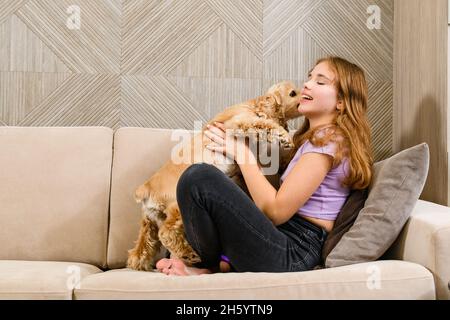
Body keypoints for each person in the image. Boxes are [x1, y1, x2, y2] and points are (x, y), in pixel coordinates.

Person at [156, 56, 373, 276]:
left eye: (320, 81)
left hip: (294, 251)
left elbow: (276, 212)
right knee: (205, 183)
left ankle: (205, 265)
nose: (307, 84)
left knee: (199, 177)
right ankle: (214, 264)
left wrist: (242, 154)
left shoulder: (329, 141)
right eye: (309, 76)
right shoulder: (313, 141)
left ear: (341, 102)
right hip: (283, 238)